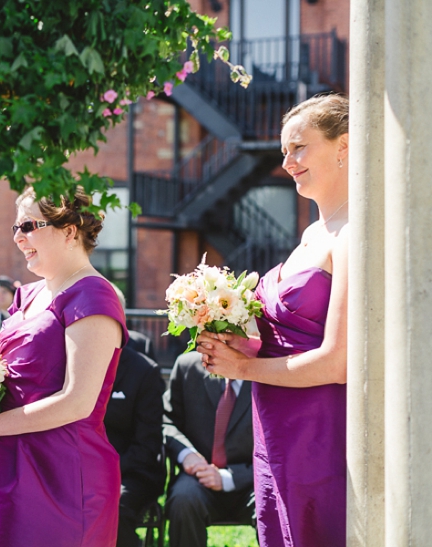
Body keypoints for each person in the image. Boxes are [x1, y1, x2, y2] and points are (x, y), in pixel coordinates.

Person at [197, 94, 349, 547]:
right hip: (276, 425)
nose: (287, 162)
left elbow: (336, 361)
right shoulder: (311, 233)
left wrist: (242, 370)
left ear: (344, 146)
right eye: (284, 151)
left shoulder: (352, 233)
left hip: (319, 431)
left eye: (299, 147)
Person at [0, 186, 128, 547]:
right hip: (2, 464)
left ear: (69, 231)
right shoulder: (27, 295)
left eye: (29, 225)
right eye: (15, 228)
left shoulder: (93, 295)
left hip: (59, 474)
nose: (18, 237)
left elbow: (77, 400)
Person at [163, 352, 254, 547]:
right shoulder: (188, 365)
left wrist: (229, 478)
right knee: (183, 499)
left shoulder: (268, 370)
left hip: (252, 479)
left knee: (274, 502)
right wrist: (187, 454)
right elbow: (166, 421)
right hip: (199, 476)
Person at [103, 285, 165, 547]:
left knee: (110, 509)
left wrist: (104, 471)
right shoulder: (65, 364)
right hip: (77, 471)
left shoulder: (144, 371)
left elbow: (147, 444)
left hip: (129, 472)